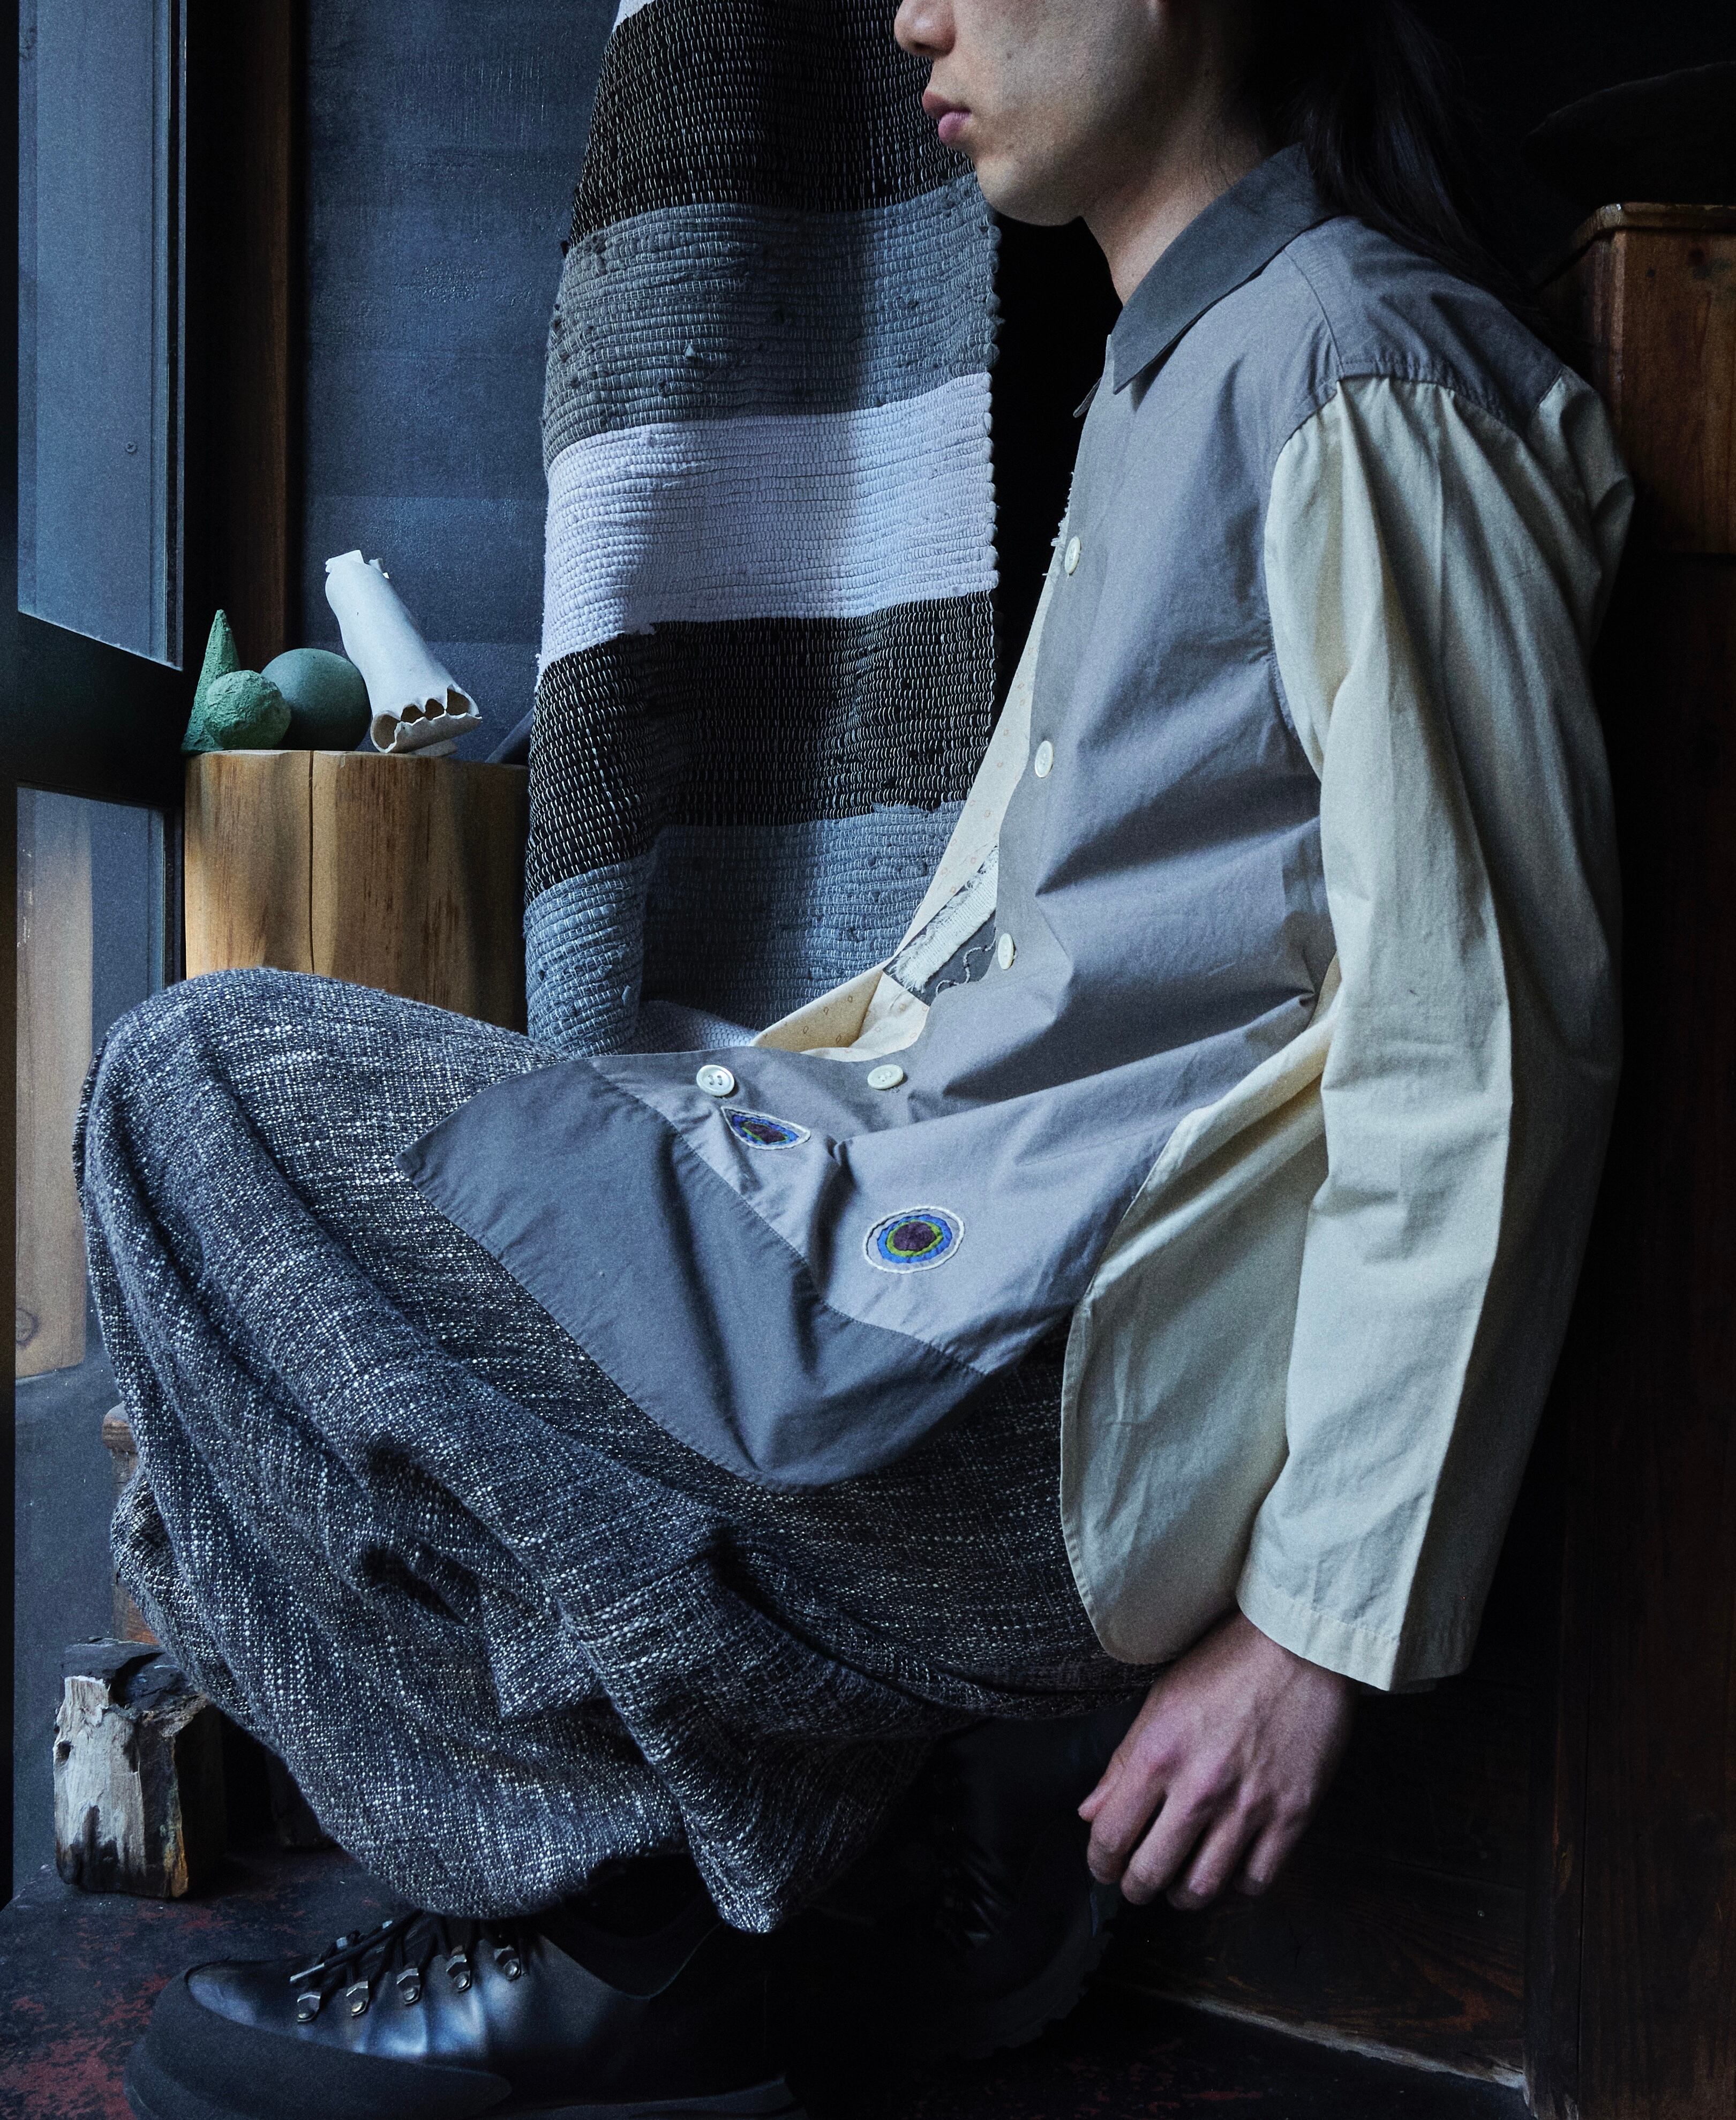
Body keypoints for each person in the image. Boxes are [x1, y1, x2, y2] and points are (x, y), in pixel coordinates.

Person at [95, 2, 1630, 2116]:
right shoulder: (1183, 366)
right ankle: (780, 1861)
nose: (916, 11)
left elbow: (1488, 1044)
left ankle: (641, 1936)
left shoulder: (1350, 365)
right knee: (272, 1236)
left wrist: (1314, 1622)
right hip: (940, 1295)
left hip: (1030, 1408)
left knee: (194, 1086)